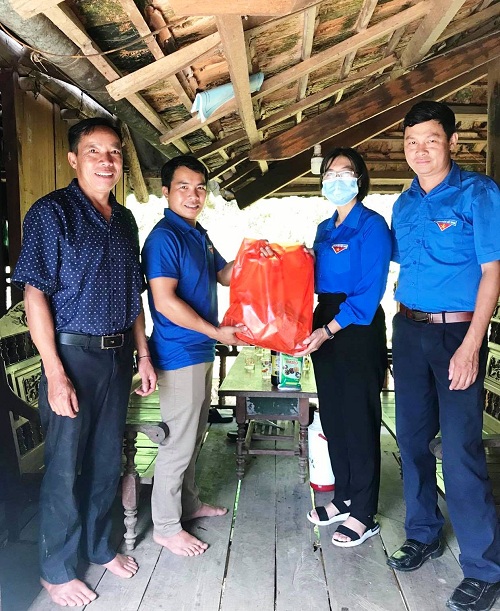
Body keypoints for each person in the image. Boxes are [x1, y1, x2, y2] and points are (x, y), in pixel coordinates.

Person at [12, 117, 157, 607]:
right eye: (94, 151)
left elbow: (134, 298)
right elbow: (34, 295)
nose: (106, 160)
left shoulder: (126, 221)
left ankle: (99, 546)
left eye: (113, 151)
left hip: (117, 359)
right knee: (63, 466)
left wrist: (143, 354)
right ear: (74, 159)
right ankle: (55, 571)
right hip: (71, 356)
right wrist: (54, 373)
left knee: (105, 460)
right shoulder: (52, 213)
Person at [387, 100, 500, 611]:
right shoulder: (404, 204)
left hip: (458, 335)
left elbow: (493, 273)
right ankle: (424, 532)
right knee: (410, 438)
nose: (420, 150)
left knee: (458, 449)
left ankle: (484, 567)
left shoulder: (478, 192)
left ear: (452, 141)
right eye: (412, 142)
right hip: (408, 331)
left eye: (431, 140)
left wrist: (472, 345)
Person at [141, 156, 249, 557]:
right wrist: (216, 332)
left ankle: (188, 504)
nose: (193, 194)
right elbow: (164, 302)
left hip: (200, 348)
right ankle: (166, 527)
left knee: (194, 435)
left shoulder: (197, 232)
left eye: (200, 187)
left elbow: (224, 275)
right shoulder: (164, 237)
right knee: (177, 443)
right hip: (179, 351)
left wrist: (257, 254)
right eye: (183, 186)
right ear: (166, 191)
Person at [297, 147, 391, 547]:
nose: (337, 180)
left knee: (359, 418)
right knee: (334, 416)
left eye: (345, 173)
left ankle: (365, 513)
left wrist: (328, 330)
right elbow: (313, 277)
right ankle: (345, 496)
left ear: (359, 179)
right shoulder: (324, 228)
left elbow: (369, 292)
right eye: (330, 174)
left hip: (356, 326)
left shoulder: (372, 226)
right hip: (324, 320)